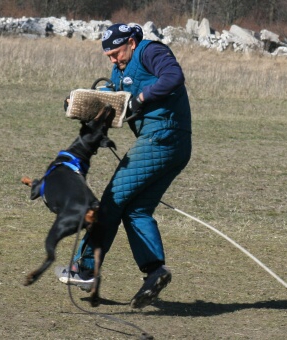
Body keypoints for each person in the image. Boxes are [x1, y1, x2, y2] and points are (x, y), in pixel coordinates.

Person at [56, 23, 192, 309]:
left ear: (131, 42)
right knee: (136, 208)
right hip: (170, 145)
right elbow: (112, 102)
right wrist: (77, 103)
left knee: (113, 199)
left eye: (116, 53)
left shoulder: (150, 51)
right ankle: (155, 270)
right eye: (108, 57)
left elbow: (174, 76)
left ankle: (86, 270)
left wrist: (141, 99)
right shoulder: (120, 71)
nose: (113, 60)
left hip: (163, 138)